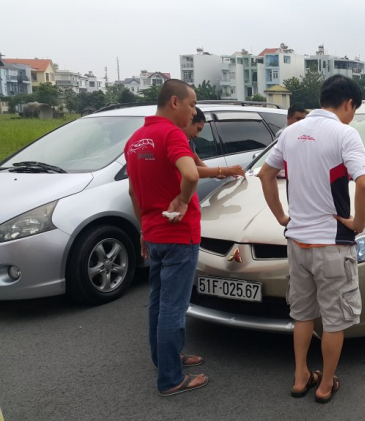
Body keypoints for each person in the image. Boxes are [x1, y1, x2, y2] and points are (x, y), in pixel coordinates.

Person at [258, 75, 365, 404]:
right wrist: (358, 223)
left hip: (297, 242)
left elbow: (266, 174)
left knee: (302, 314)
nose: (352, 116)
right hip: (332, 243)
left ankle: (300, 377)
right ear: (348, 103)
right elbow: (364, 184)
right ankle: (325, 386)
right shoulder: (345, 133)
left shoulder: (290, 132)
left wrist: (281, 216)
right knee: (335, 318)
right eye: (353, 109)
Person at [125, 79, 208, 397]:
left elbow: (133, 190)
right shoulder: (172, 134)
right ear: (175, 102)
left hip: (154, 234)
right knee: (174, 307)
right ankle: (171, 379)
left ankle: (166, 359)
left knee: (158, 303)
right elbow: (190, 174)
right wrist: (184, 200)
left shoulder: (135, 139)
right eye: (191, 104)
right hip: (179, 234)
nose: (193, 111)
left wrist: (143, 229)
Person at [182, 107, 245, 179]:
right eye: (198, 129)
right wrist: (222, 170)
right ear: (188, 120)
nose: (197, 135)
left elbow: (196, 159)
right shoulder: (175, 139)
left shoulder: (188, 141)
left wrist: (218, 173)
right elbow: (190, 170)